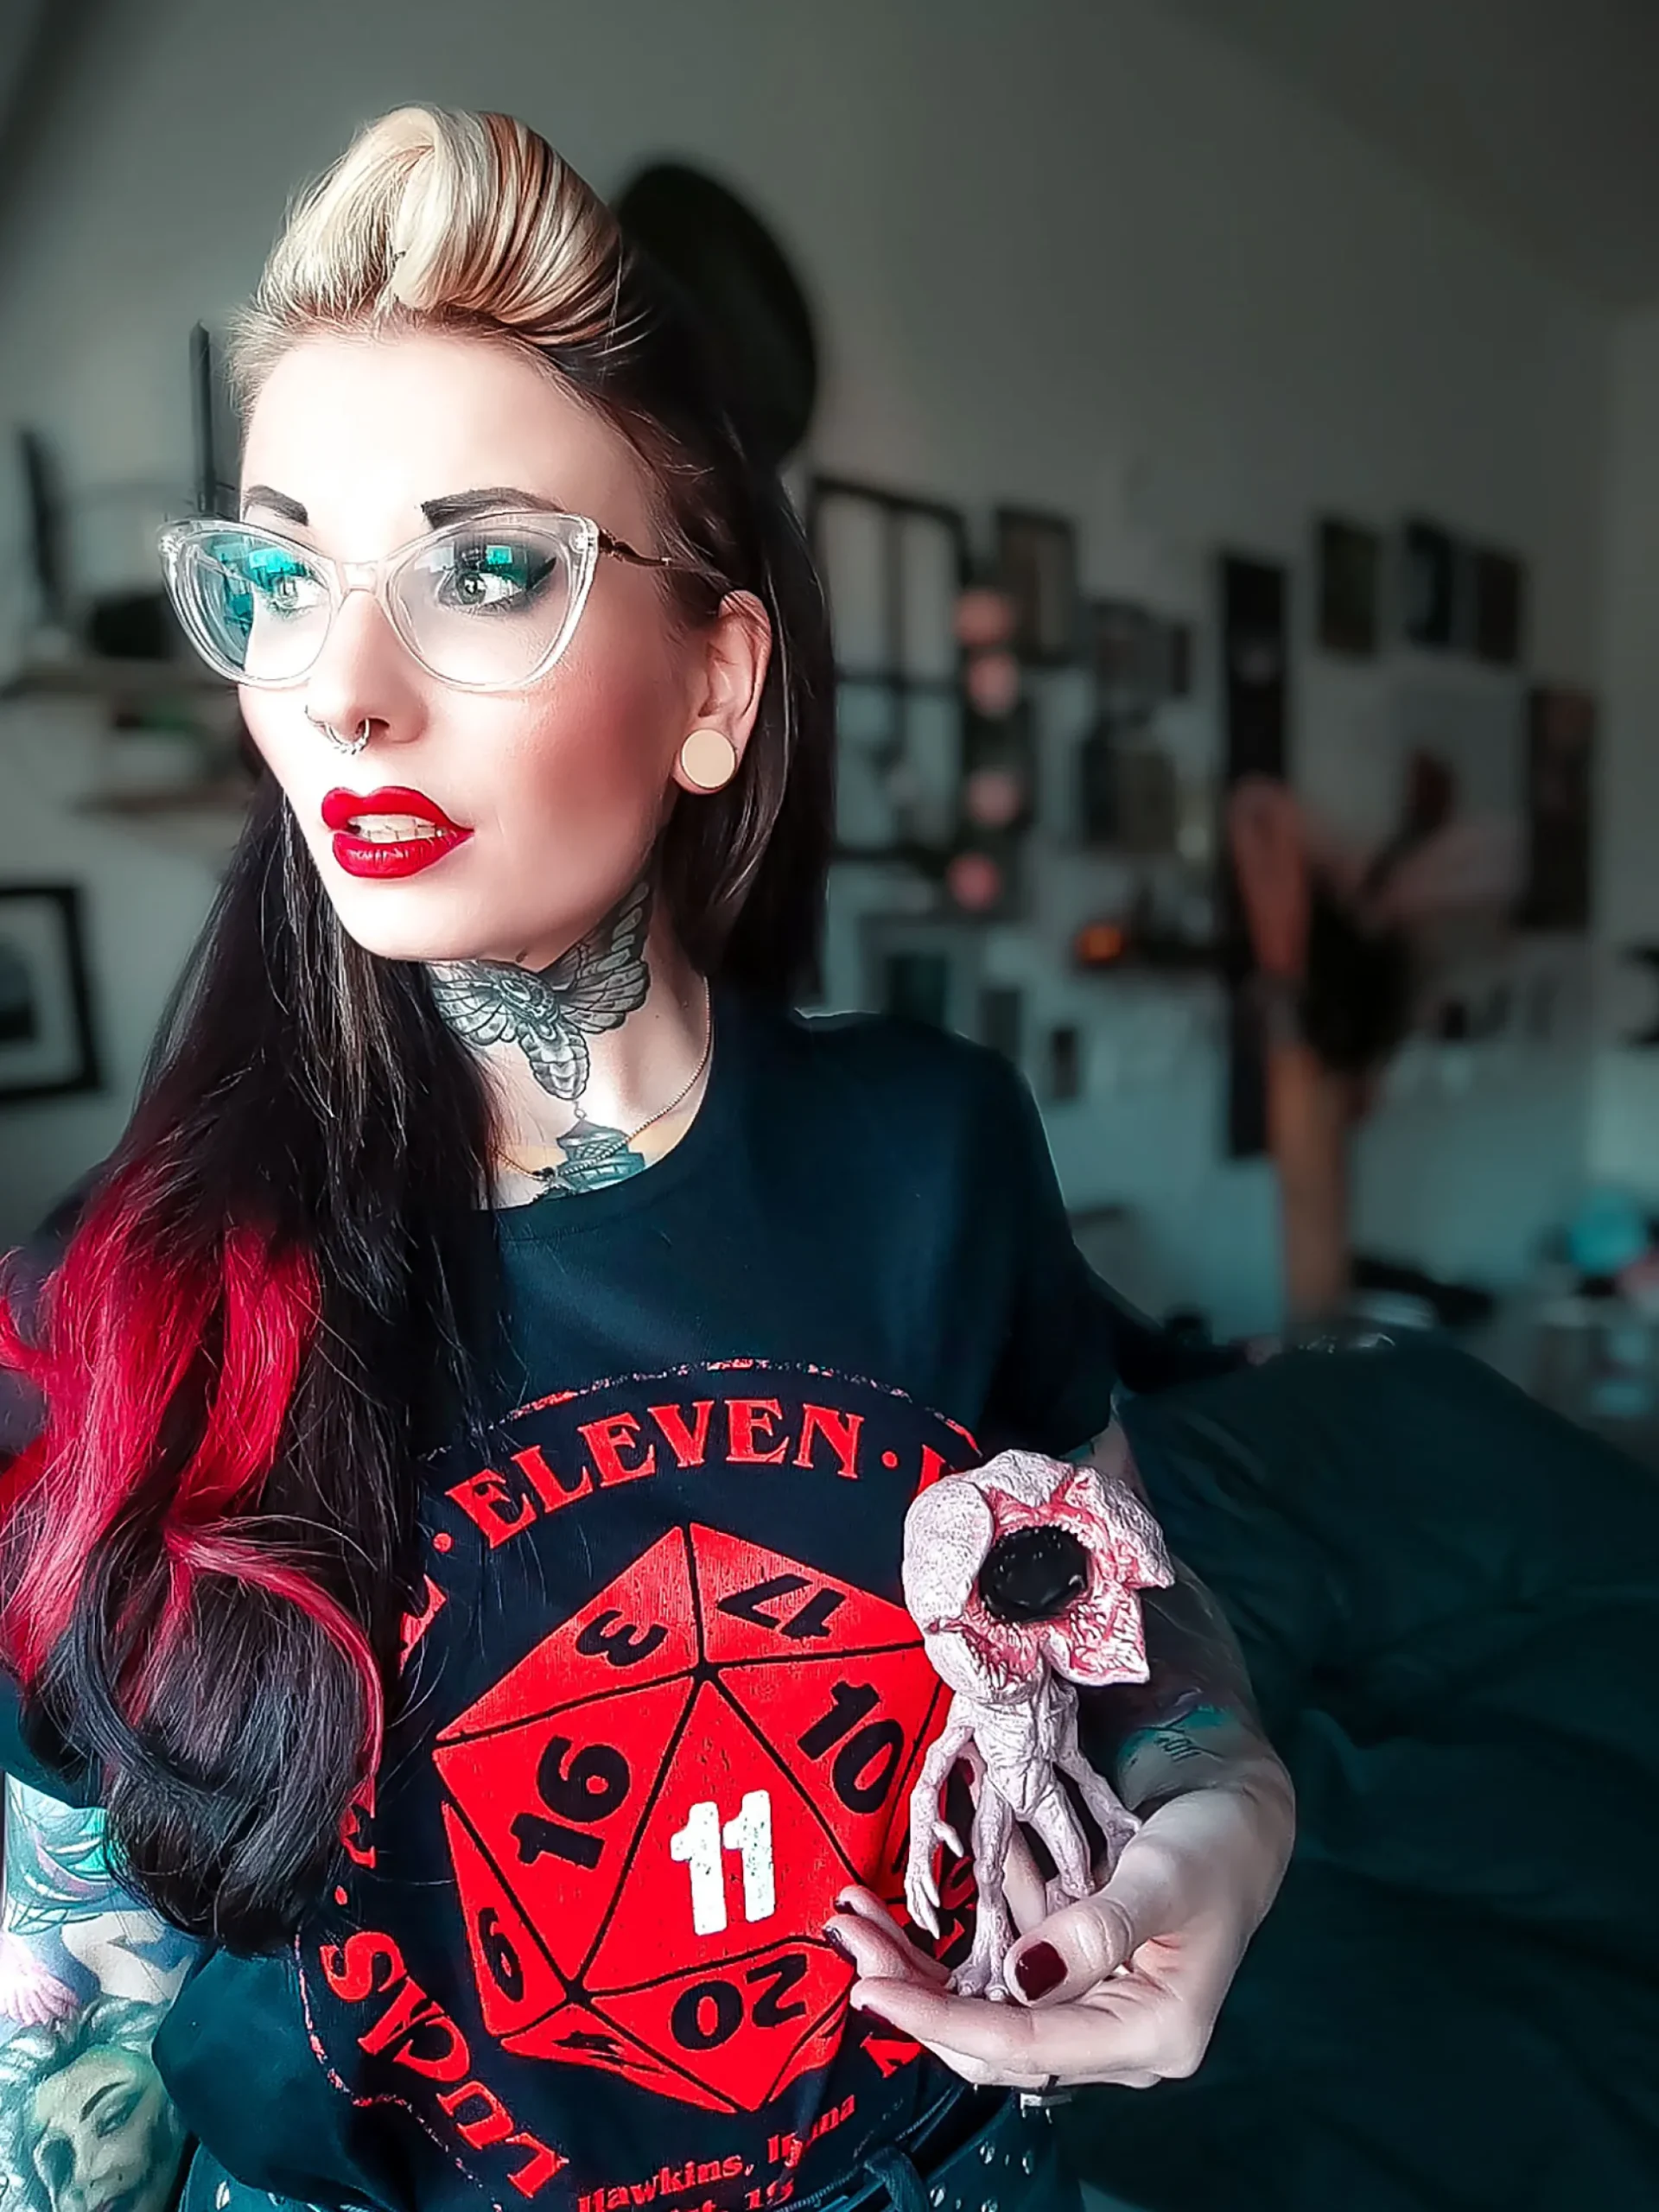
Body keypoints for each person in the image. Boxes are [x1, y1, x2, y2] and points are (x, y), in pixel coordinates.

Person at [0, 109, 1293, 2212]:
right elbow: (60, 2031)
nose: (344, 692)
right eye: (281, 577)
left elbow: (1124, 1605)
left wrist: (1232, 1811)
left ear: (714, 683)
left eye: (486, 568)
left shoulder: (936, 1149)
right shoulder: (116, 1305)